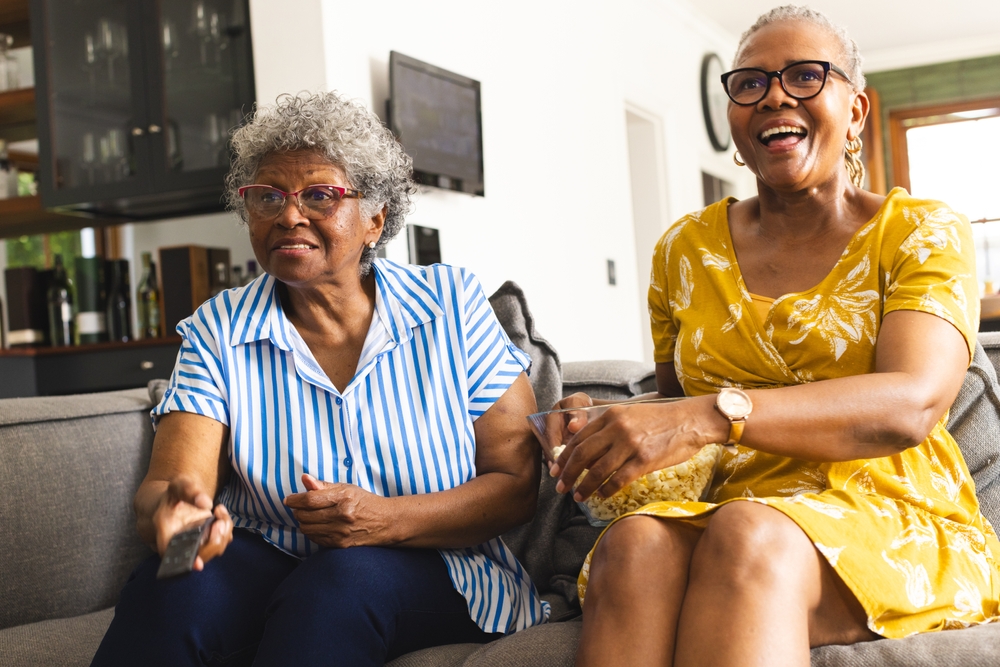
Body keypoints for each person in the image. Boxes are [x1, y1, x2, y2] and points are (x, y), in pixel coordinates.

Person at [549, 6, 1000, 666]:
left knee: (747, 532)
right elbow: (680, 431)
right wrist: (607, 423)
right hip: (730, 503)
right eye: (751, 83)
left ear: (856, 110)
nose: (775, 95)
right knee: (634, 542)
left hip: (888, 509)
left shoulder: (922, 232)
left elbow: (913, 402)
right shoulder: (683, 250)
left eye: (805, 76)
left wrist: (711, 415)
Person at [91, 91, 548, 667]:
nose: (288, 215)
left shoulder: (450, 305)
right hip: (269, 554)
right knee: (170, 588)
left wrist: (386, 519)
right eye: (267, 197)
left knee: (338, 585)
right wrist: (178, 519)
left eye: (319, 196)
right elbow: (170, 487)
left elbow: (515, 483)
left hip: (438, 562)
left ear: (375, 219)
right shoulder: (219, 327)